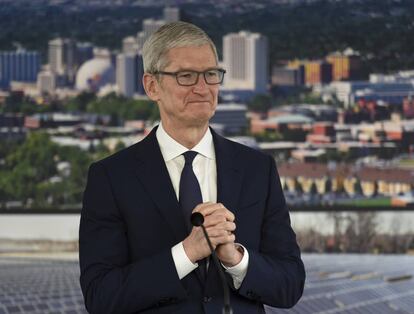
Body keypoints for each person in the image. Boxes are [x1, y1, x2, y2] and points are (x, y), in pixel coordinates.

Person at [79, 21, 305, 314]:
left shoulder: (257, 169)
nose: (202, 88)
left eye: (211, 74)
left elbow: (290, 285)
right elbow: (101, 296)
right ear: (152, 86)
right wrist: (186, 253)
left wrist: (235, 259)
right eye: (186, 76)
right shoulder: (111, 177)